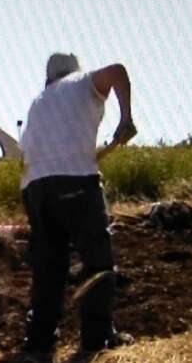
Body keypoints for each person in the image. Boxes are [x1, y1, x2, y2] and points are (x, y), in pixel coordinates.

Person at [19, 53, 136, 357]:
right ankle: (97, 339)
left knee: (49, 267)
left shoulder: (38, 101)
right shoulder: (80, 83)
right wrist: (126, 118)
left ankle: (40, 344)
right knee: (97, 262)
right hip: (76, 183)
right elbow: (117, 71)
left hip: (35, 187)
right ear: (72, 71)